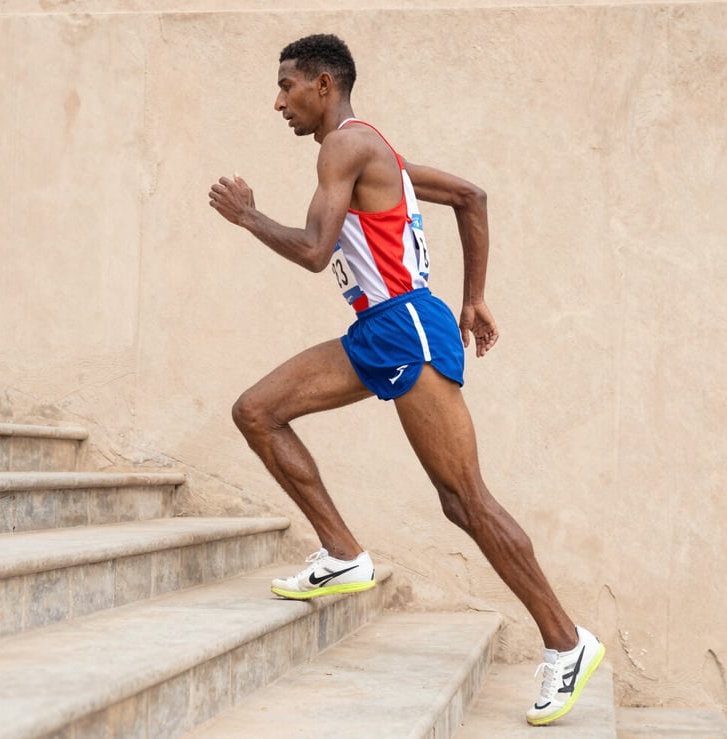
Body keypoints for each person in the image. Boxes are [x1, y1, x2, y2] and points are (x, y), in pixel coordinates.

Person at [208, 33, 604, 726]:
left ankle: (567, 641)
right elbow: (472, 197)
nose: (278, 102)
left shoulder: (344, 147)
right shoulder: (376, 152)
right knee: (258, 411)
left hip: (404, 327)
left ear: (325, 85)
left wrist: (246, 215)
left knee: (464, 500)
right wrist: (473, 296)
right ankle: (343, 553)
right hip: (378, 328)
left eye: (287, 86)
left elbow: (311, 251)